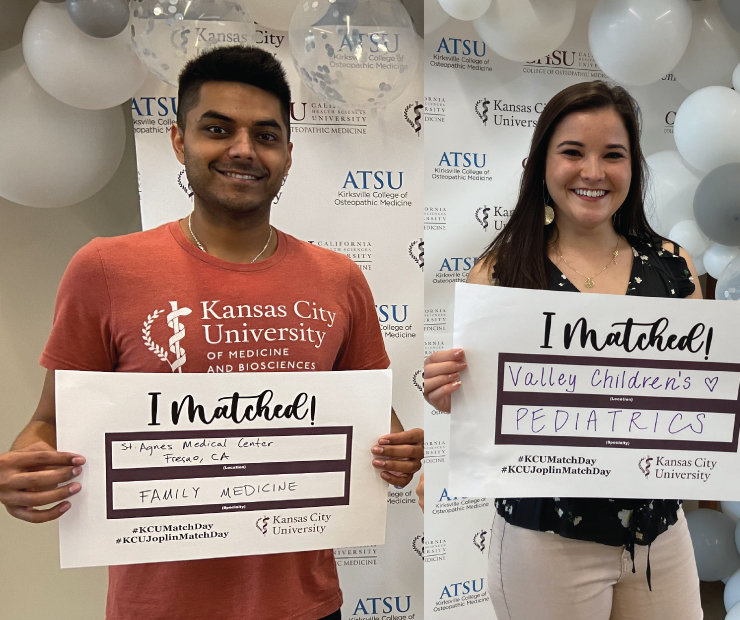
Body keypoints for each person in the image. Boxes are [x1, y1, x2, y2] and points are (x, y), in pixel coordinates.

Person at [0, 46, 423, 620]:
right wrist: (29, 465)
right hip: (158, 608)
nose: (243, 150)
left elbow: (378, 428)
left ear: (289, 154)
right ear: (179, 140)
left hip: (304, 606)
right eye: (218, 129)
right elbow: (49, 421)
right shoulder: (104, 269)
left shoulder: (339, 279)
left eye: (266, 135)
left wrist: (400, 456)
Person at [419, 80, 740, 620]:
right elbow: (484, 401)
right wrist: (452, 395)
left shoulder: (673, 268)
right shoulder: (504, 272)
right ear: (541, 163)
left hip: (659, 534)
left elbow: (702, 388)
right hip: (545, 539)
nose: (593, 172)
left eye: (613, 155)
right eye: (572, 152)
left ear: (633, 167)